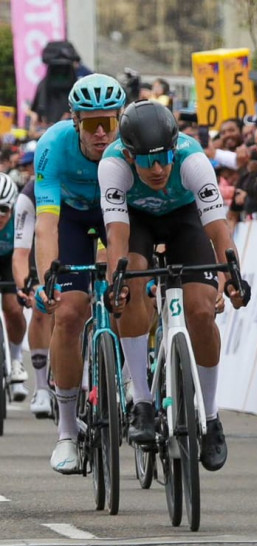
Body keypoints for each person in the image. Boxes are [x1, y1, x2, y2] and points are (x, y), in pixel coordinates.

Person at [98, 100, 250, 472]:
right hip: (138, 222)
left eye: (164, 157)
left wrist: (232, 276)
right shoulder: (113, 165)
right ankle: (144, 403)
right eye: (147, 161)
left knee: (201, 310)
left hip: (185, 220)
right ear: (130, 155)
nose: (158, 168)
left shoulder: (192, 160)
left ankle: (211, 417)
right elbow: (117, 235)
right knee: (130, 283)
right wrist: (116, 280)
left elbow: (217, 228)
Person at [34, 74, 126, 474]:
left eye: (110, 121)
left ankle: (138, 388)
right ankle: (67, 432)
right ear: (75, 121)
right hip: (70, 219)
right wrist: (45, 280)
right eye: (91, 124)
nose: (102, 133)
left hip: (116, 214)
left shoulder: (128, 144)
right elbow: (45, 225)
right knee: (70, 312)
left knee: (134, 291)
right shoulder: (53, 145)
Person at [12, 178, 53, 416]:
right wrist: (27, 286)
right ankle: (42, 388)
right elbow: (21, 253)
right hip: (43, 246)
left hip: (78, 235)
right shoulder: (29, 195)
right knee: (40, 302)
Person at [0, 173, 28, 401]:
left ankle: (16, 359)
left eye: (3, 209)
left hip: (10, 259)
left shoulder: (21, 217)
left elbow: (27, 255)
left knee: (13, 307)